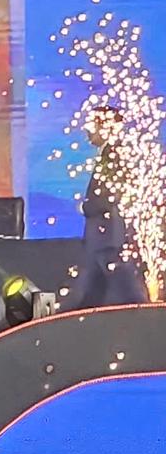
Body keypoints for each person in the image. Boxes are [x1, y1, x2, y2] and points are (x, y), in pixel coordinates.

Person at [72, 106, 149, 308]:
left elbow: (107, 196)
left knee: (124, 285)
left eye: (92, 125)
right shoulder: (113, 152)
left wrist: (87, 207)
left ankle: (146, 315)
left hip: (107, 235)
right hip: (104, 236)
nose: (87, 130)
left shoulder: (114, 154)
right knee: (94, 287)